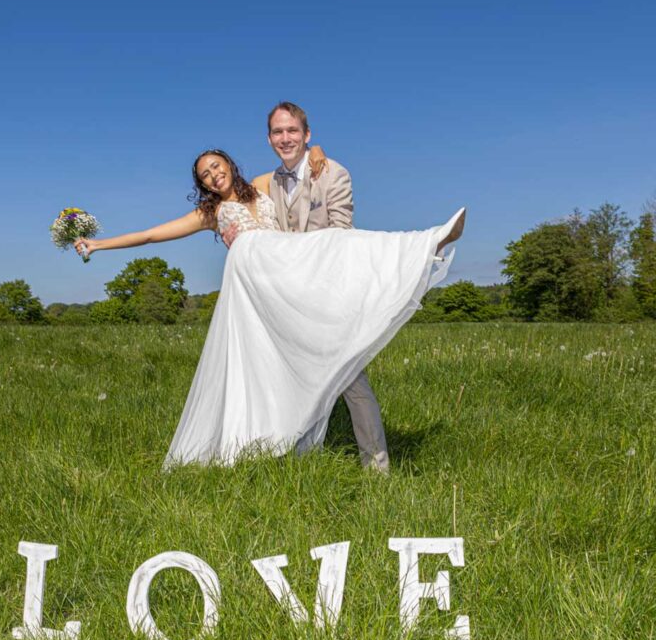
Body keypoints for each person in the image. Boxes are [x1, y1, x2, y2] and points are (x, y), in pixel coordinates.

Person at [74, 150, 465, 469]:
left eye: (216, 166)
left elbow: (294, 166)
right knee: (264, 372)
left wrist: (316, 151)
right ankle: (260, 448)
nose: (213, 175)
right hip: (258, 288)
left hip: (289, 272)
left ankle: (425, 243)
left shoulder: (262, 184)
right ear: (202, 185)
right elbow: (150, 235)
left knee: (335, 242)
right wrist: (98, 244)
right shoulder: (210, 214)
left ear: (228, 164)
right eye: (204, 175)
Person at [223, 101, 389, 472]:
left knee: (351, 379)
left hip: (330, 292)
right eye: (278, 132)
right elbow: (256, 224)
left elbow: (342, 234)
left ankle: (376, 467)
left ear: (307, 134)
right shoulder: (267, 185)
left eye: (292, 131)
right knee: (294, 378)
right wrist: (237, 236)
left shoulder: (334, 173)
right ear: (269, 139)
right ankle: (300, 460)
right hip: (289, 299)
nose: (286, 138)